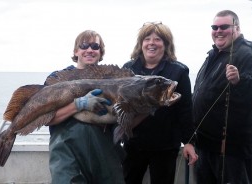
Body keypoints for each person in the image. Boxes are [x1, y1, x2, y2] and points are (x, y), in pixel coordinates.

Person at [192, 10, 252, 184]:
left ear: (237, 28)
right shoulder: (213, 55)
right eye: (215, 27)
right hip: (205, 145)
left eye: (224, 27)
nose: (218, 30)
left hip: (231, 150)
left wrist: (240, 80)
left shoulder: (248, 53)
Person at [121, 22, 198, 184]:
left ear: (166, 44)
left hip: (165, 146)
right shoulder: (128, 69)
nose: (151, 43)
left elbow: (185, 110)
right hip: (133, 144)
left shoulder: (179, 71)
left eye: (158, 39)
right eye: (147, 39)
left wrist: (189, 142)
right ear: (141, 44)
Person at [45, 30, 125, 184]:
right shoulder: (57, 79)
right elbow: (46, 119)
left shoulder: (115, 81)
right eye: (84, 45)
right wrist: (78, 105)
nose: (90, 50)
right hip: (67, 154)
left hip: (105, 153)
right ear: (76, 51)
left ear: (101, 53)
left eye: (95, 46)